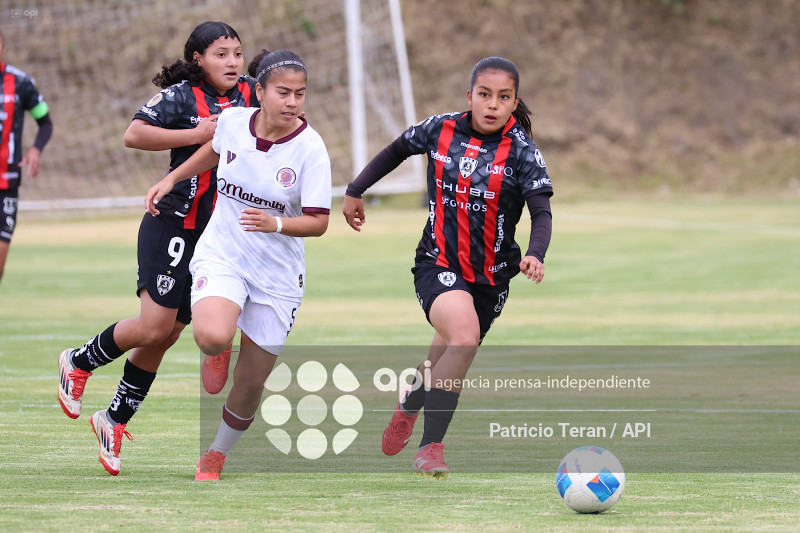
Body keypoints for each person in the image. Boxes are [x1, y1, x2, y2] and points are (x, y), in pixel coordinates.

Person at [56, 21, 261, 476]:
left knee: (166, 335)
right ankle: (78, 360)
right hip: (172, 223)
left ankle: (114, 419)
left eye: (237, 53)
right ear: (198, 60)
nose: (231, 62)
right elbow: (135, 135)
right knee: (154, 326)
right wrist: (198, 133)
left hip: (220, 237)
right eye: (221, 54)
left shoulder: (254, 93)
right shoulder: (181, 97)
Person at [342, 56, 553, 478]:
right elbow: (396, 150)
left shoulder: (524, 153)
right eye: (484, 94)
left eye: (504, 97)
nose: (493, 104)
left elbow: (541, 213)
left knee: (444, 353)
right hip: (437, 260)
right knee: (463, 337)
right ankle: (430, 448)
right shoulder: (440, 128)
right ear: (470, 95)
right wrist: (355, 190)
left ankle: (409, 404)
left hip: (491, 277)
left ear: (515, 102)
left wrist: (536, 253)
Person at [145, 49, 331, 481]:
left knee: (249, 384)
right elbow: (214, 150)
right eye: (283, 92)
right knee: (210, 335)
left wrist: (277, 223)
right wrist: (172, 178)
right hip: (224, 251)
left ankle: (216, 453)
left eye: (300, 94)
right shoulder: (231, 121)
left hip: (278, 273)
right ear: (260, 91)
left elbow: (319, 222)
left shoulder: (311, 149)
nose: (292, 102)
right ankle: (221, 344)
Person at [0, 29, 54, 285]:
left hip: (6, 183)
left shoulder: (20, 82)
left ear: (3, 46)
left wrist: (35, 150)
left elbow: (45, 122)